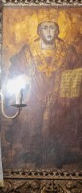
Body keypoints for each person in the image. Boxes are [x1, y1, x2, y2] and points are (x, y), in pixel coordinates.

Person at [6, 15, 81, 167]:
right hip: (33, 98)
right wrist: (22, 76)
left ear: (58, 31)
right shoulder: (28, 51)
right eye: (45, 28)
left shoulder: (68, 51)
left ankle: (59, 155)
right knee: (29, 120)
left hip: (61, 100)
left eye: (52, 27)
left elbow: (78, 68)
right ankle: (29, 153)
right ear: (38, 31)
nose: (48, 31)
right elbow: (15, 70)